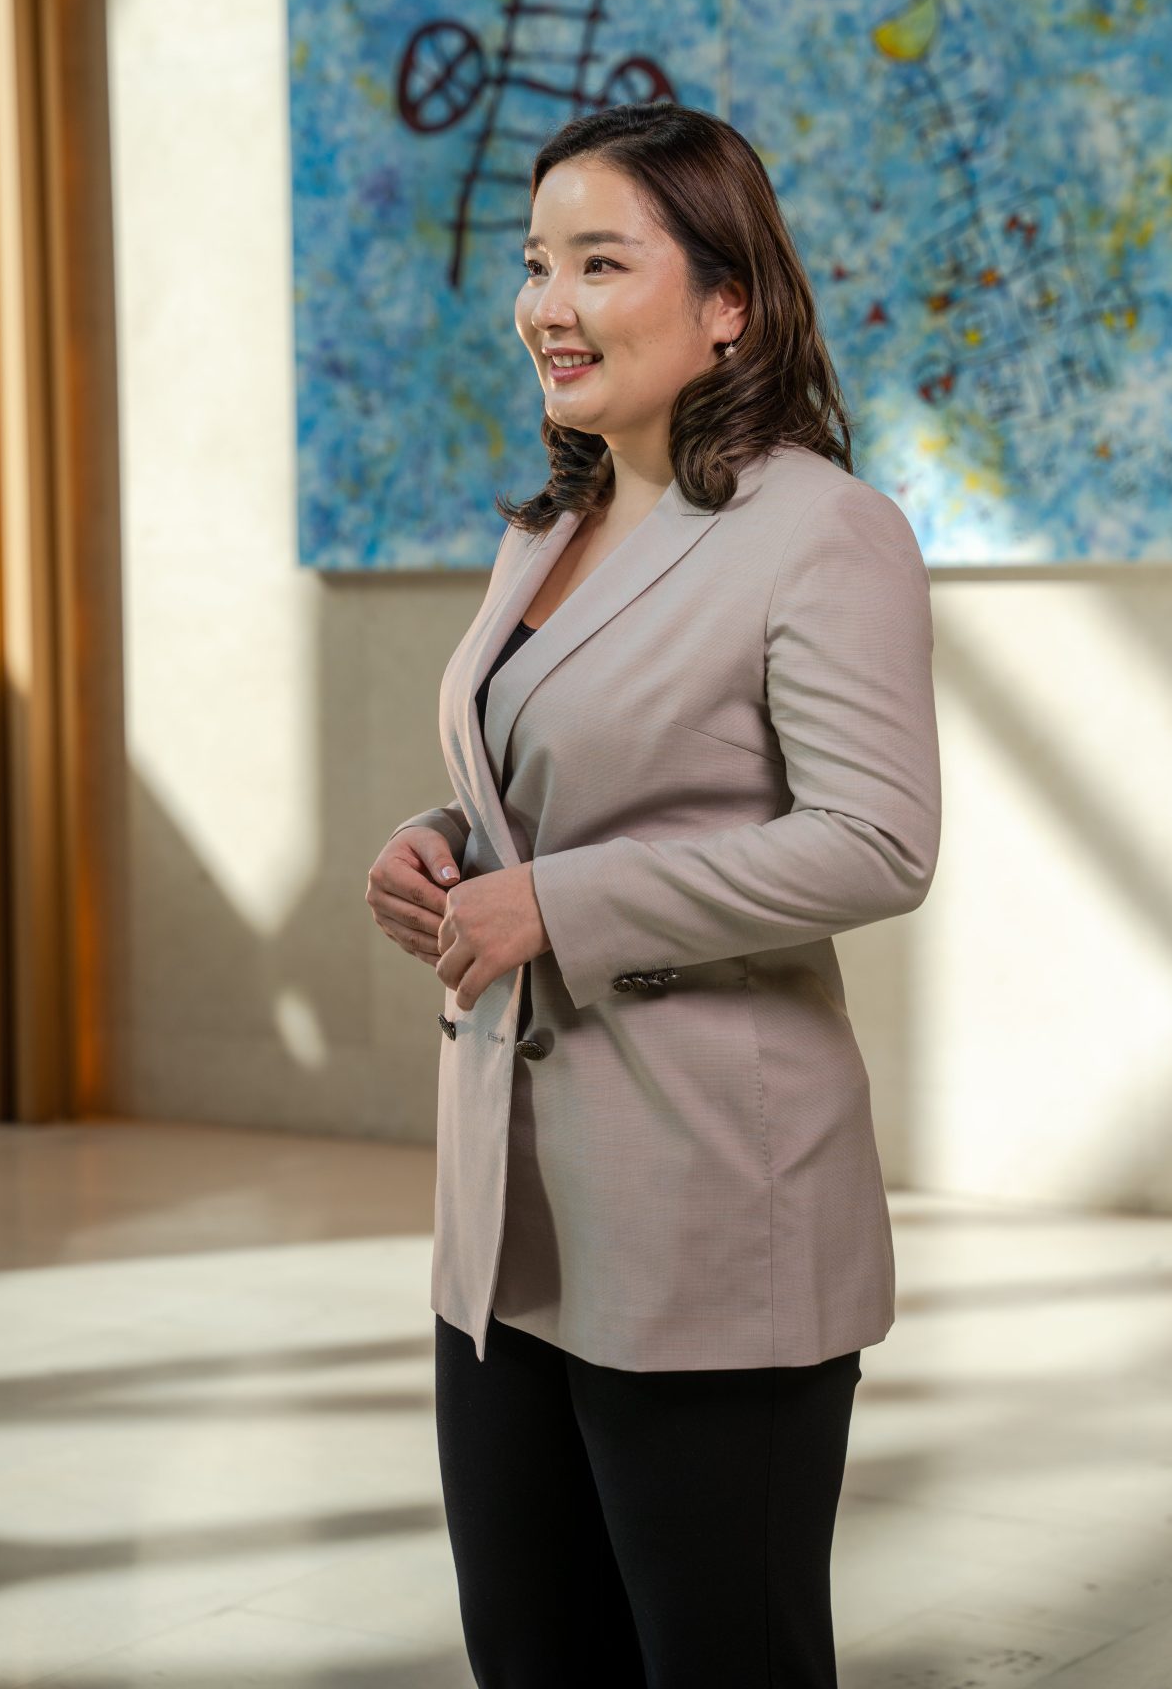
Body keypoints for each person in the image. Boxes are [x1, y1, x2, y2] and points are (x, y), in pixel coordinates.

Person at [366, 100, 942, 1687]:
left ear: (725, 302)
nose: (546, 303)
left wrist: (558, 904)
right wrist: (445, 842)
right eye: (535, 262)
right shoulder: (552, 524)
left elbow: (877, 840)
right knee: (533, 1658)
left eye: (598, 262)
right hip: (508, 1216)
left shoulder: (823, 533)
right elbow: (560, 786)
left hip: (710, 1212)